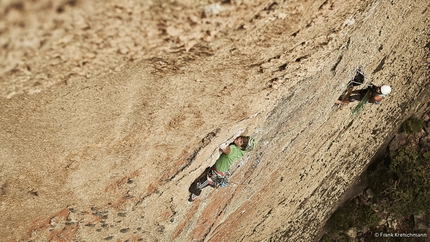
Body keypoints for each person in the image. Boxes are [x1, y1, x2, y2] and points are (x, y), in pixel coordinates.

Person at [188, 136, 256, 202]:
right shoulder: (242, 151)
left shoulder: (235, 151)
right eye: (241, 138)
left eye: (240, 142)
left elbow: (227, 150)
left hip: (214, 174)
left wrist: (223, 145)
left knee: (195, 187)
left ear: (241, 147)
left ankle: (195, 194)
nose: (238, 140)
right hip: (219, 170)